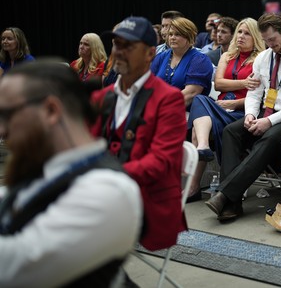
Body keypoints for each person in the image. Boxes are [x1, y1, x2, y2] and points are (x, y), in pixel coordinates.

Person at [0, 61, 142, 286]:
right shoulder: (43, 170)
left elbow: (14, 269)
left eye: (7, 114)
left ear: (50, 110)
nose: (2, 129)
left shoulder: (108, 189)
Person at [90, 16, 187, 251]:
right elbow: (84, 150)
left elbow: (160, 162)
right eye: (117, 44)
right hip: (100, 199)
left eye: (129, 46)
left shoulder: (168, 99)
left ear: (150, 54)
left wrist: (104, 179)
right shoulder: (100, 98)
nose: (119, 52)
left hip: (147, 204)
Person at [205, 13, 281, 221]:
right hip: (264, 111)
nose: (270, 45)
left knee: (268, 137)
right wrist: (251, 114)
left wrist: (268, 121)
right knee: (231, 131)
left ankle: (225, 195)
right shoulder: (264, 57)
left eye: (273, 40)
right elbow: (254, 92)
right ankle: (232, 201)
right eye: (266, 41)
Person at [186, 18, 265, 202]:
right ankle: (204, 148)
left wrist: (235, 103)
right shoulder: (227, 56)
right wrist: (244, 83)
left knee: (198, 131)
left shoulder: (261, 58)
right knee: (199, 99)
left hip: (243, 110)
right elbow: (219, 84)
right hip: (220, 107)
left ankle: (194, 185)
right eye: (239, 32)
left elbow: (260, 97)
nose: (241, 37)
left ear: (255, 36)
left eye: (246, 33)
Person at [150, 17, 213, 110]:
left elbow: (190, 94)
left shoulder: (200, 60)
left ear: (189, 36)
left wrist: (160, 108)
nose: (172, 37)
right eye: (170, 34)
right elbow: (149, 84)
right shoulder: (161, 57)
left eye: (177, 34)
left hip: (187, 112)